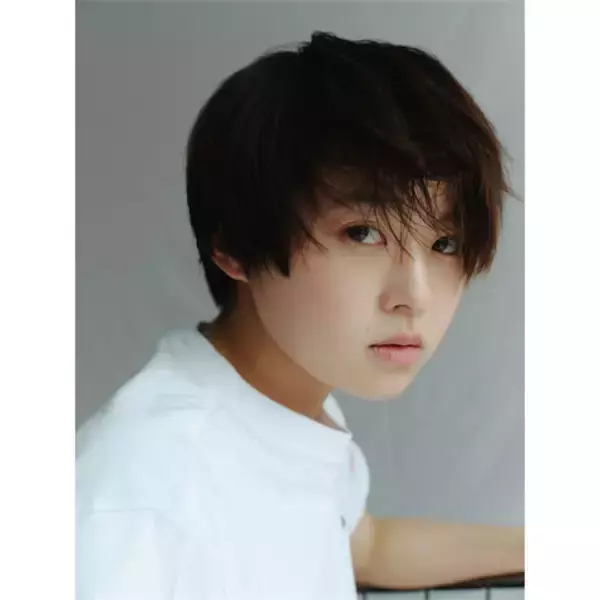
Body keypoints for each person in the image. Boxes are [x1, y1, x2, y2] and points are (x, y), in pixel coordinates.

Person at [76, 31, 524, 600]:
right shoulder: (147, 494)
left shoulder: (287, 401)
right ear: (235, 246)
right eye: (363, 234)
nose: (414, 295)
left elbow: (365, 547)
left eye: (445, 243)